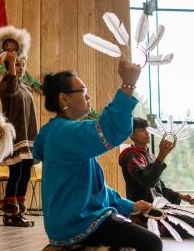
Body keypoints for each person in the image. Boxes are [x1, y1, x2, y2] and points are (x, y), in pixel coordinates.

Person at [33, 63, 162, 251]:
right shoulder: (64, 133)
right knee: (151, 243)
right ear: (64, 98)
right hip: (78, 223)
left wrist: (130, 206)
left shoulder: (57, 131)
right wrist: (128, 85)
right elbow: (109, 130)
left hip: (73, 220)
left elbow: (94, 189)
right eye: (83, 90)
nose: (88, 96)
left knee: (131, 240)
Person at [119, 117, 194, 237]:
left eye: (147, 129)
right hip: (145, 210)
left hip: (161, 205)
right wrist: (162, 155)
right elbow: (148, 182)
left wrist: (180, 196)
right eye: (142, 130)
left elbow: (160, 188)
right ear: (131, 134)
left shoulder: (150, 156)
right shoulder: (130, 156)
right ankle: (143, 225)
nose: (147, 132)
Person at [0, 50, 38, 227]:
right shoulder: (6, 84)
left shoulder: (26, 87)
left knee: (26, 174)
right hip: (15, 137)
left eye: (22, 64)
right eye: (17, 64)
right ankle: (10, 213)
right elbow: (12, 87)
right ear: (9, 67)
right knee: (16, 173)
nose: (21, 68)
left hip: (28, 137)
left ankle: (19, 212)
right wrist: (11, 62)